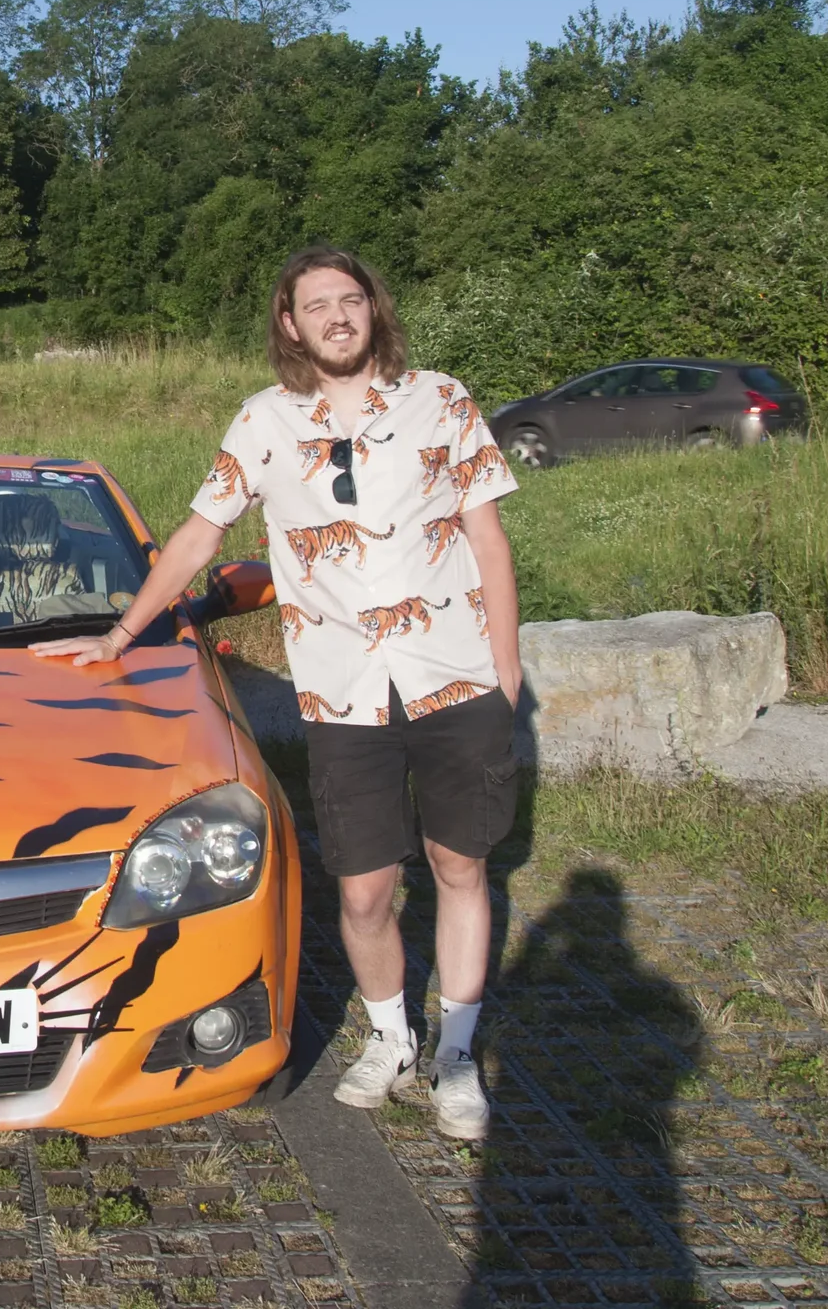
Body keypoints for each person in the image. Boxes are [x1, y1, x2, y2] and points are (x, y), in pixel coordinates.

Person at [34, 246, 522, 1140]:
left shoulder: (443, 401)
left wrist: (507, 672)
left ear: (373, 309)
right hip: (343, 695)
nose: (338, 315)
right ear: (290, 323)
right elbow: (195, 540)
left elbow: (489, 541)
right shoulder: (262, 422)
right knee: (366, 889)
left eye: (351, 299)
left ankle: (456, 1053)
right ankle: (390, 1040)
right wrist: (116, 635)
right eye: (317, 304)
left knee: (460, 868)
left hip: (455, 681)